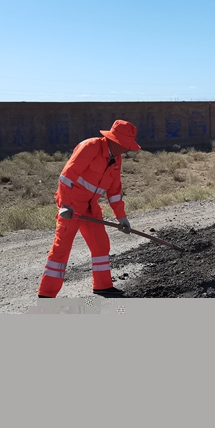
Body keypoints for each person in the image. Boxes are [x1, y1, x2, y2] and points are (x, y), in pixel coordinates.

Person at [37, 119, 141, 298]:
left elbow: (114, 191)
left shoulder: (116, 160)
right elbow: (66, 176)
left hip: (91, 208)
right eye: (124, 145)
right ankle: (46, 295)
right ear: (114, 140)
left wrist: (121, 217)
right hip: (71, 207)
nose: (126, 149)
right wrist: (65, 205)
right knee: (62, 248)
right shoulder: (90, 147)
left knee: (101, 245)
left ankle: (102, 286)